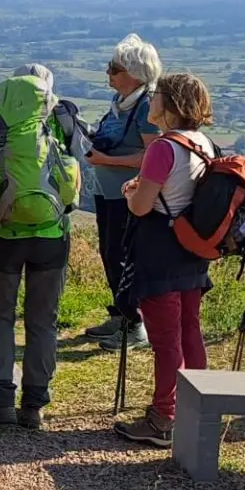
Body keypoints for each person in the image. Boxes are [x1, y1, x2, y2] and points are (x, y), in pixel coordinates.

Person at [115, 74, 218, 447]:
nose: (151, 102)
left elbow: (142, 206)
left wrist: (131, 193)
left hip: (159, 250)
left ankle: (164, 417)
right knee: (189, 329)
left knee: (165, 339)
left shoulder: (163, 147)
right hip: (193, 247)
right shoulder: (204, 143)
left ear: (170, 104)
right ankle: (197, 408)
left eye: (156, 96)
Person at [0, 68, 75, 430]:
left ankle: (0, 401)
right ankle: (33, 404)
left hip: (3, 233)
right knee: (43, 320)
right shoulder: (59, 124)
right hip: (51, 234)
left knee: (0, 316)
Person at [85, 34, 162, 352]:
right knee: (109, 253)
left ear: (134, 72)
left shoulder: (146, 106)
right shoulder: (121, 103)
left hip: (130, 195)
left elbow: (153, 156)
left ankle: (136, 323)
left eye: (114, 68)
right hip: (109, 192)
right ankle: (121, 314)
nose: (108, 73)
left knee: (122, 256)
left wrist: (106, 160)